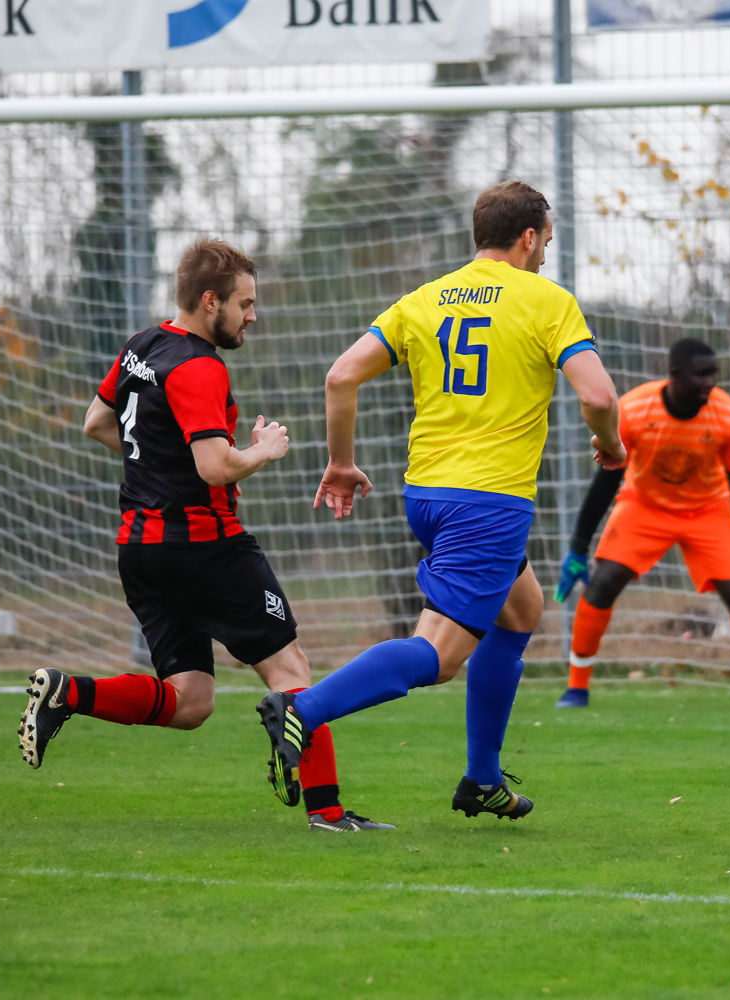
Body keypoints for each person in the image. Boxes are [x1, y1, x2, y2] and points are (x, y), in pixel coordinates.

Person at [255, 181, 624, 820]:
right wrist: (611, 445)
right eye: (545, 241)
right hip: (488, 504)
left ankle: (482, 778)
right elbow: (598, 396)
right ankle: (301, 710)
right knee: (438, 656)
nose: (544, 254)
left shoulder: (425, 299)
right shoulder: (547, 300)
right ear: (528, 237)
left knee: (521, 609)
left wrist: (340, 464)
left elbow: (341, 375)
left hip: (427, 496)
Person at [18, 238, 393, 833]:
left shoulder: (142, 346)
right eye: (245, 303)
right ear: (210, 300)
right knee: (291, 669)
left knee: (191, 700)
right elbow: (216, 468)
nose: (252, 315)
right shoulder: (199, 367)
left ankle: (69, 693)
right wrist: (264, 449)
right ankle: (327, 812)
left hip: (140, 551)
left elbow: (96, 422)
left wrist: (161, 463)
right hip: (205, 547)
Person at [552, 338, 730, 710]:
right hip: (644, 507)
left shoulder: (727, 414)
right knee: (602, 583)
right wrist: (578, 549)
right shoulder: (634, 409)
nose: (709, 382)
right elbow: (606, 481)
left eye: (713, 373)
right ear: (675, 374)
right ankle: (576, 687)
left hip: (707, 512)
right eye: (701, 374)